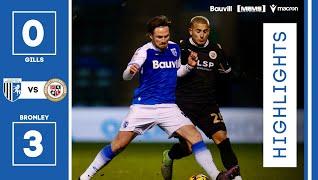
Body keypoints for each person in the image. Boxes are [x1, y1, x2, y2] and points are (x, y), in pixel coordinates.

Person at [79, 15, 230, 180]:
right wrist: (131, 71)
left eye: (166, 36)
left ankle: (217, 176)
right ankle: (85, 177)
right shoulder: (144, 51)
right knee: (118, 146)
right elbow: (125, 76)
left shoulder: (174, 49)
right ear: (150, 36)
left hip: (168, 106)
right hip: (144, 106)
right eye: (159, 37)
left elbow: (176, 73)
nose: (164, 40)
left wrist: (189, 67)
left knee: (195, 138)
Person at [161, 16, 242, 180]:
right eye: (198, 31)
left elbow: (226, 73)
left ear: (209, 32)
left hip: (207, 104)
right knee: (189, 148)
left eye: (205, 31)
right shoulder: (180, 49)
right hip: (183, 106)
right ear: (190, 31)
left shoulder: (216, 50)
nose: (202, 35)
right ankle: (169, 155)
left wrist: (238, 76)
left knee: (222, 138)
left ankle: (237, 179)